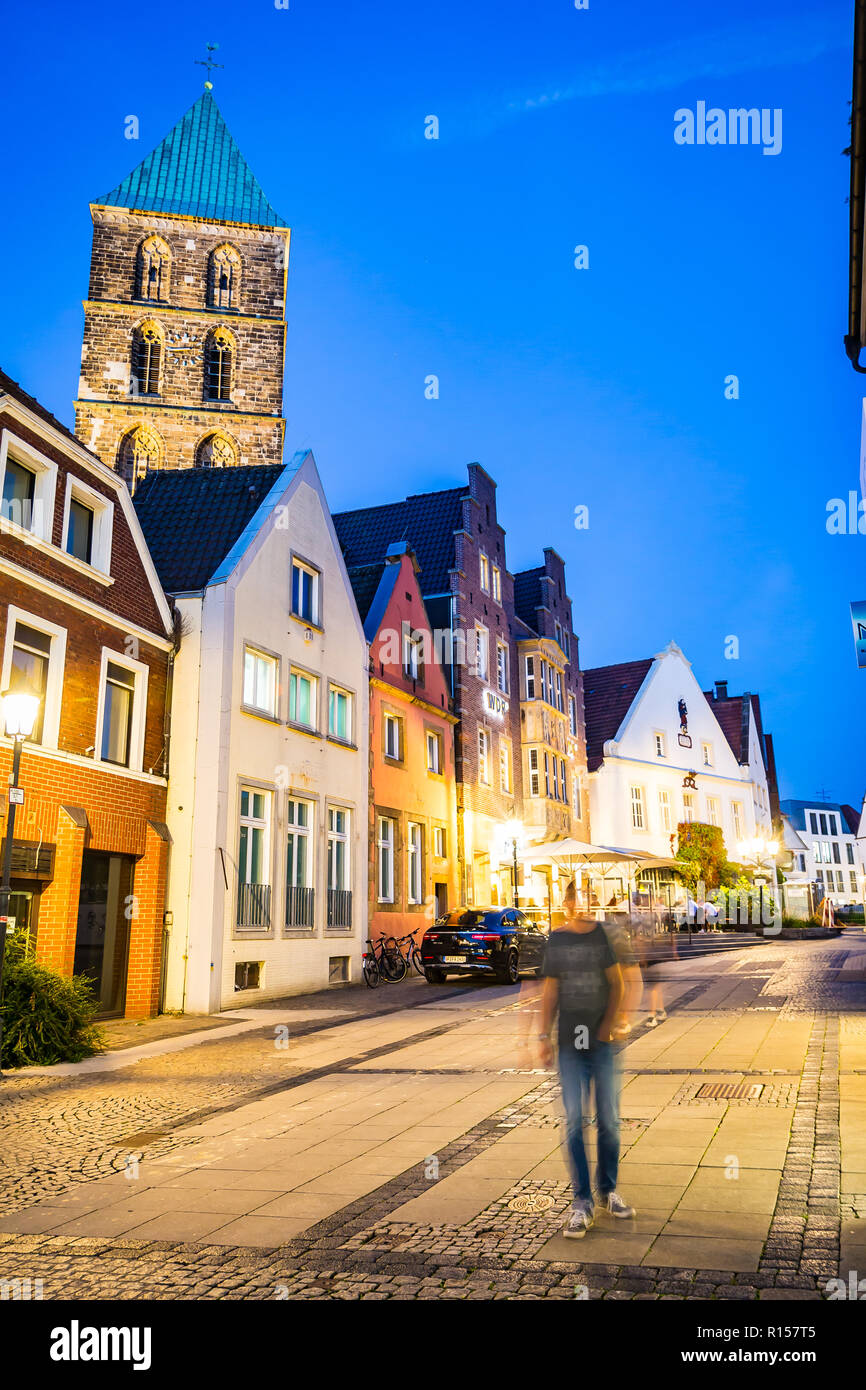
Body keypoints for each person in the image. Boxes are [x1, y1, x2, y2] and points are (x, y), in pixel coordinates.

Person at [537, 881, 636, 1238]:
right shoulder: (558, 940)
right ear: (565, 904)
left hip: (601, 1042)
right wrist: (542, 1035)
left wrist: (609, 1025)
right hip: (569, 1042)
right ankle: (582, 1202)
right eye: (575, 900)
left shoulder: (602, 937)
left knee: (609, 1119)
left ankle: (608, 1191)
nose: (581, 905)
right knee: (575, 1120)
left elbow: (619, 983)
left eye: (586, 900)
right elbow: (550, 989)